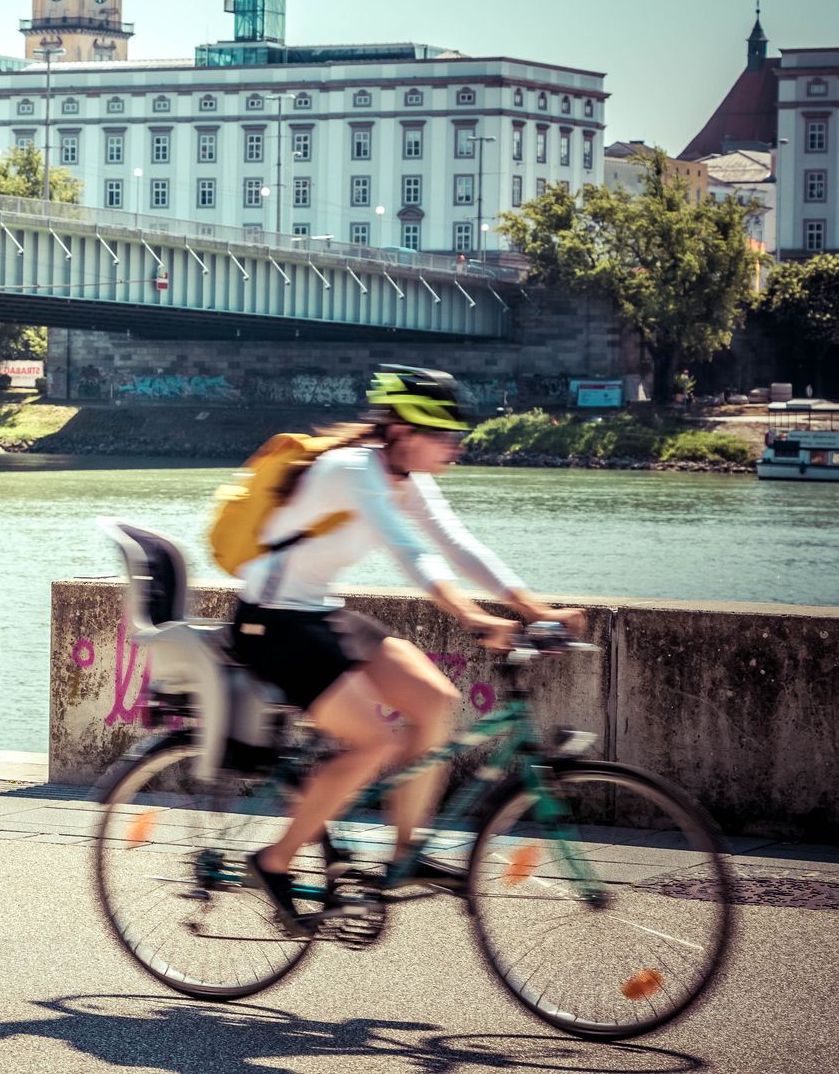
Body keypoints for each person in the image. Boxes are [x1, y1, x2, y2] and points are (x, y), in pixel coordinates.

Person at [232, 365, 582, 930]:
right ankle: (273, 861)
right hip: (271, 620)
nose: (455, 447)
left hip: (321, 610)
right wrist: (470, 615)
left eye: (457, 435)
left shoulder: (408, 480)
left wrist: (533, 609)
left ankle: (404, 855)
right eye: (444, 435)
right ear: (401, 433)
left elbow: (458, 545)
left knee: (435, 701)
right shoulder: (351, 469)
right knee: (373, 741)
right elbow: (410, 553)